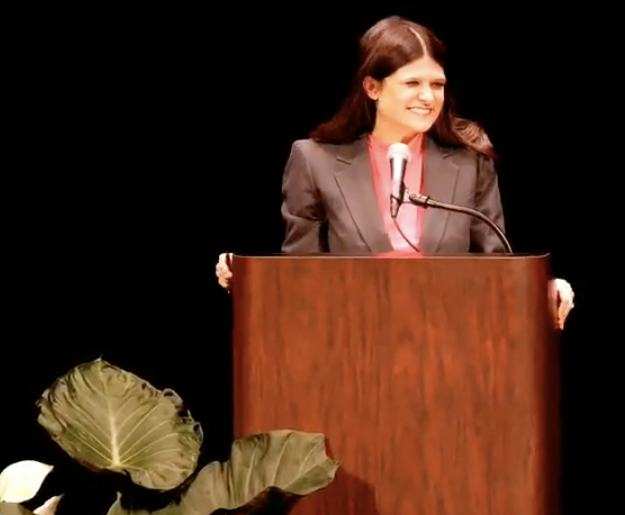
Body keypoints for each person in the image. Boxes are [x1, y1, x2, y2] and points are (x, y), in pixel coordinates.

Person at [214, 16, 575, 328]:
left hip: (455, 343)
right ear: (372, 87)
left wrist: (542, 291)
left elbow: (499, 270)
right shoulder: (314, 161)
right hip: (351, 345)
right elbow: (301, 274)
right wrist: (245, 277)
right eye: (412, 83)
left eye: (437, 85)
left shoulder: (469, 162)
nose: (428, 97)